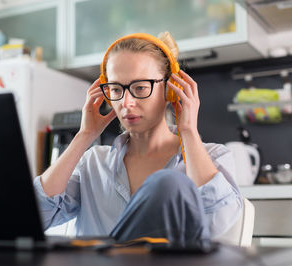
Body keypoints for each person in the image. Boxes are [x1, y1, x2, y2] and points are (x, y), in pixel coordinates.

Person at [33, 32, 242, 244]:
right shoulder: (92, 163)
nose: (127, 102)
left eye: (140, 87)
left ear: (171, 90)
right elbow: (37, 217)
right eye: (116, 89)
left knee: (168, 184)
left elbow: (219, 222)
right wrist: (84, 136)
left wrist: (188, 130)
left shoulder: (213, 157)